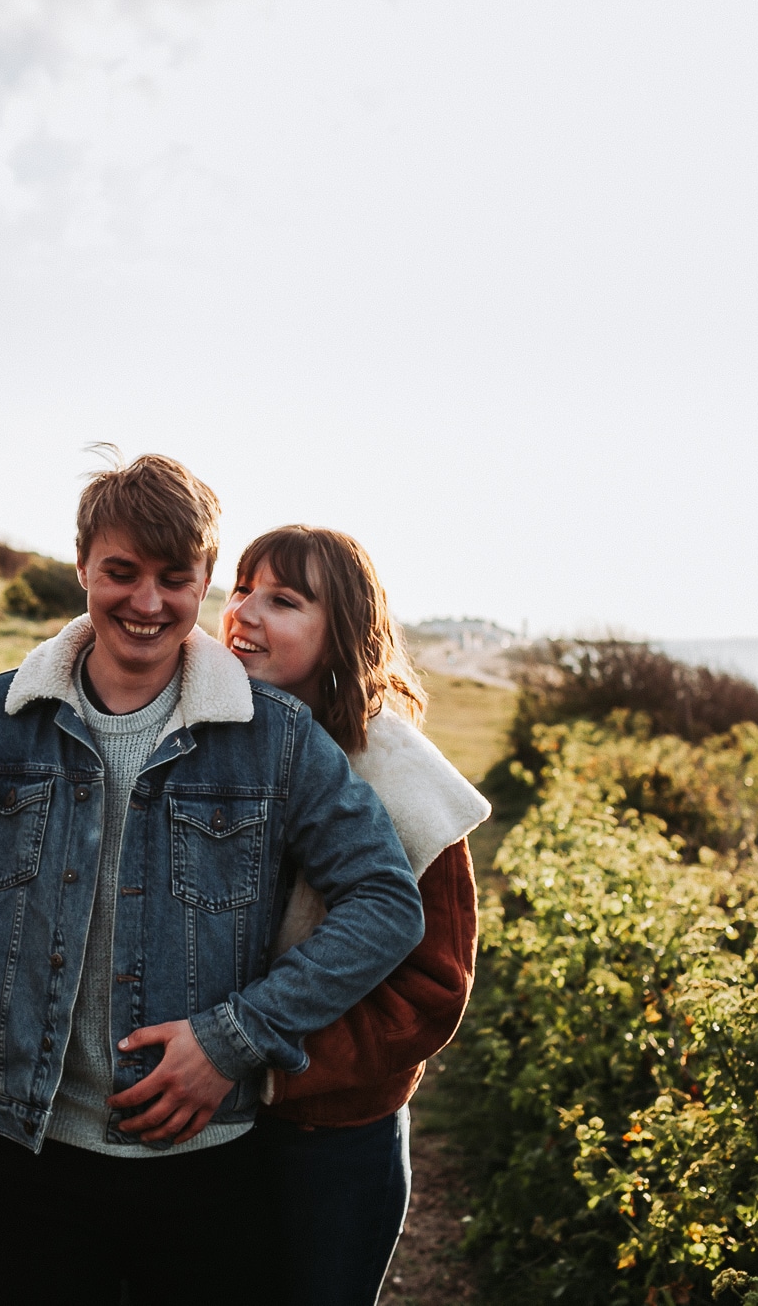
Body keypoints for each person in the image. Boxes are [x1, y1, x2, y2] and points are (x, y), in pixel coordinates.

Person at [0, 454, 425, 1306]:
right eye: (122, 573)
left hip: (208, 1162)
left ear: (207, 580)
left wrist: (232, 1038)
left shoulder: (273, 737)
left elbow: (388, 904)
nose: (146, 602)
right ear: (82, 569)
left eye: (175, 578)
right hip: (23, 1153)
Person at [227, 526, 489, 1306]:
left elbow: (434, 987)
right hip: (221, 1124)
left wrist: (279, 1067)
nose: (245, 610)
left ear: (340, 628)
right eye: (241, 587)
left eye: (282, 598)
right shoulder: (217, 736)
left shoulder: (400, 778)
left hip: (332, 1140)